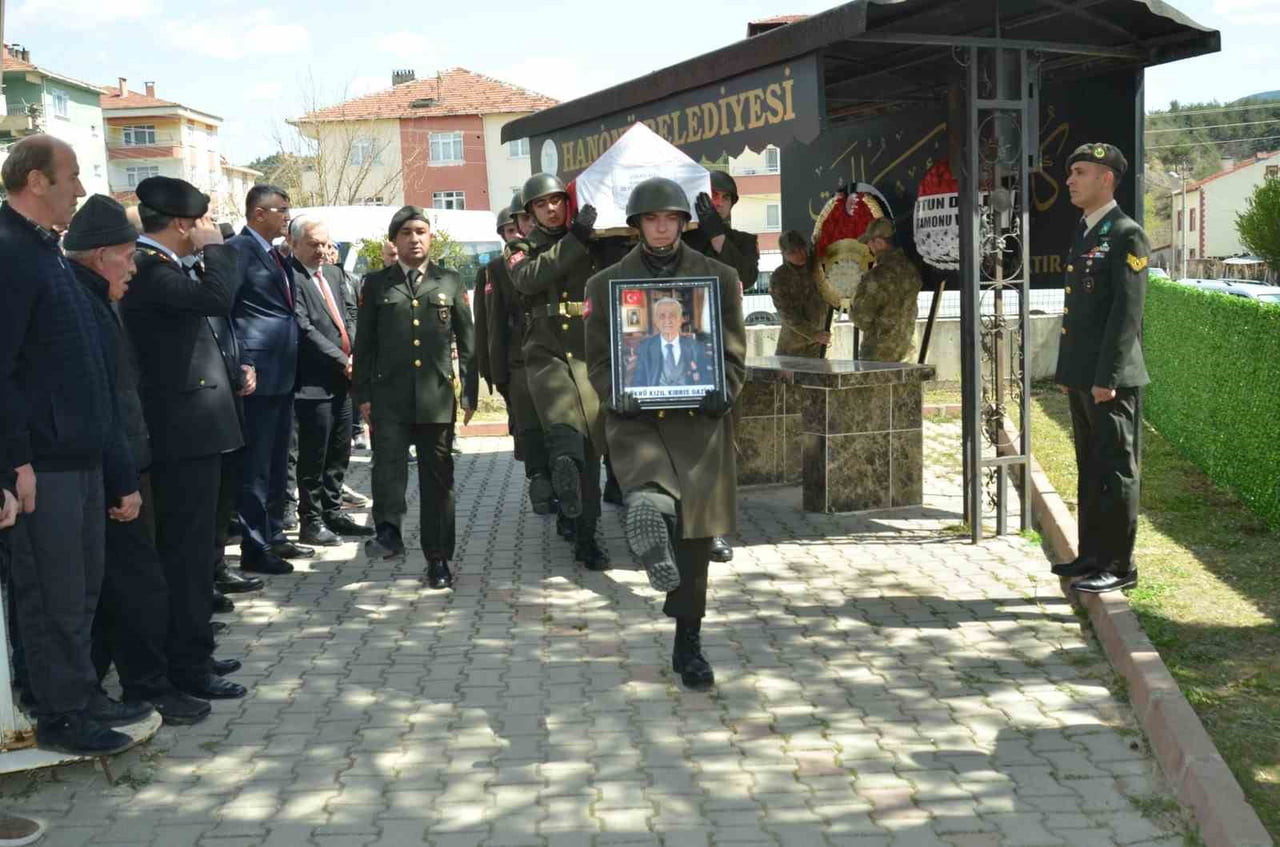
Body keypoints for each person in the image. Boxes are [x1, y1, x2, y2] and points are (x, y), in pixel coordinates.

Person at [0, 136, 143, 754]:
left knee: (81, 589)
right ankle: (59, 715)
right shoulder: (9, 251)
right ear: (35, 181)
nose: (80, 191)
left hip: (78, 455)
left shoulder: (45, 252)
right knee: (52, 593)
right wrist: (14, 460)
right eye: (72, 177)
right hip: (43, 461)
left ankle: (80, 696)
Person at [586, 177, 746, 690]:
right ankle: (646, 514)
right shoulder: (606, 284)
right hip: (639, 422)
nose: (661, 227)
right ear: (636, 226)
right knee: (652, 496)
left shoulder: (717, 278)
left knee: (695, 548)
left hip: (699, 426)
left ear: (683, 222)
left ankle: (688, 641)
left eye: (670, 218)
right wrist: (617, 394)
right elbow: (599, 360)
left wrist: (726, 388)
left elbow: (735, 353)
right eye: (651, 219)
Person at [65, 195, 215, 725]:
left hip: (120, 463)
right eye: (127, 257)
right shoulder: (81, 304)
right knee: (137, 588)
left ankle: (103, 689)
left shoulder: (97, 299)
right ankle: (144, 689)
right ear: (101, 255)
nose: (134, 266)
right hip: (109, 471)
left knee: (117, 589)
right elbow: (98, 401)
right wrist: (123, 475)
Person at [122, 175, 250, 701]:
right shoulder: (152, 272)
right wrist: (218, 249)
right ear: (182, 224)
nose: (205, 230)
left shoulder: (166, 268)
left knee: (198, 551)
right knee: (187, 554)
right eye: (199, 222)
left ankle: (194, 650)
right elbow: (217, 299)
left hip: (198, 431)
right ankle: (188, 665)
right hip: (182, 438)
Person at [352, 206, 477, 589]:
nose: (414, 238)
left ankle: (438, 558)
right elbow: (366, 343)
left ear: (431, 237)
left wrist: (469, 391)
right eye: (406, 232)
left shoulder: (450, 281)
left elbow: (467, 342)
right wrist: (363, 395)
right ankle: (388, 530)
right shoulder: (376, 284)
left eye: (421, 231)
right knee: (387, 469)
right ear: (395, 240)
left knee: (438, 482)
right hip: (389, 397)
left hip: (436, 398)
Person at [1050, 143, 1150, 595]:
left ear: (1106, 178)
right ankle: (1091, 555)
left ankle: (1119, 564)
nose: (1070, 180)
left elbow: (1126, 315)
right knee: (1090, 466)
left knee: (1116, 469)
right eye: (1071, 172)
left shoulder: (1127, 234)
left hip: (1109, 380)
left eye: (1080, 172)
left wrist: (1106, 378)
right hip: (1083, 376)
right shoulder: (1087, 230)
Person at [508, 173, 608, 569]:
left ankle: (586, 534)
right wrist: (575, 239)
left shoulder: (593, 241)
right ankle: (562, 474)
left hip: (588, 348)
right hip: (545, 349)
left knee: (590, 447)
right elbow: (529, 278)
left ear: (568, 203)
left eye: (556, 201)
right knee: (563, 426)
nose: (551, 209)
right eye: (541, 204)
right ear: (530, 212)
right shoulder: (520, 248)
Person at [226, 185, 310, 575]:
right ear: (259, 213)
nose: (287, 215)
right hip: (258, 374)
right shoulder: (241, 251)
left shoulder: (275, 254)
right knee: (257, 465)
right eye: (282, 209)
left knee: (278, 460)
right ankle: (254, 545)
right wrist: (242, 361)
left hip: (283, 371)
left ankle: (274, 533)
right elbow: (229, 311)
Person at [288, 215, 371, 545]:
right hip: (312, 382)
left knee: (340, 450)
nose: (321, 250)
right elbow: (303, 327)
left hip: (343, 380)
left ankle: (334, 511)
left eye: (326, 244)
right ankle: (310, 520)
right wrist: (341, 359)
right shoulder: (290, 278)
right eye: (313, 244)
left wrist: (355, 353)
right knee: (314, 455)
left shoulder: (335, 274)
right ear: (294, 244)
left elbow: (349, 314)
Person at [486, 195, 555, 516]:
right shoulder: (499, 267)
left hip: (557, 356)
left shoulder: (557, 254)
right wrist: (498, 375)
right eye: (517, 224)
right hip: (520, 362)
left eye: (526, 221)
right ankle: (540, 479)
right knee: (530, 429)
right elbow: (494, 324)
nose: (523, 229)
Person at [850, 218, 923, 362]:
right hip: (906, 352)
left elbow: (861, 319)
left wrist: (852, 308)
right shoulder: (911, 270)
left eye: (869, 242)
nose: (869, 247)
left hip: (878, 356)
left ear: (879, 243)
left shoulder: (877, 276)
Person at [682, 170, 760, 289]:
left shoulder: (745, 241)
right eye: (714, 195)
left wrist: (718, 236)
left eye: (726, 197)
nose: (719, 203)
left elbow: (746, 280)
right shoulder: (683, 240)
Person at [770, 230, 842, 357]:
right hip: (792, 347)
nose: (799, 255)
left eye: (801, 249)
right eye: (792, 253)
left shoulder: (817, 267)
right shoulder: (780, 277)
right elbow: (786, 313)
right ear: (784, 255)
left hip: (820, 345)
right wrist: (813, 334)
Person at [630, 298, 713, 387]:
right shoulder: (645, 348)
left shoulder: (696, 347)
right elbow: (638, 383)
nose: (667, 320)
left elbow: (707, 380)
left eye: (672, 316)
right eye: (662, 316)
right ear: (656, 321)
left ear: (681, 320)